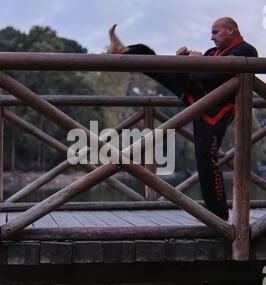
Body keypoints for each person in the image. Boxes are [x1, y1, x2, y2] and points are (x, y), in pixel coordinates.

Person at [108, 17, 258, 221]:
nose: (211, 37)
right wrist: (186, 60)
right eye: (211, 33)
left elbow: (218, 75)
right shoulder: (212, 53)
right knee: (157, 61)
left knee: (207, 157)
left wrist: (198, 62)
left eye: (215, 32)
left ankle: (218, 217)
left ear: (231, 30)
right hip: (199, 99)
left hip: (218, 109)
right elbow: (203, 72)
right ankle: (125, 51)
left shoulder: (246, 51)